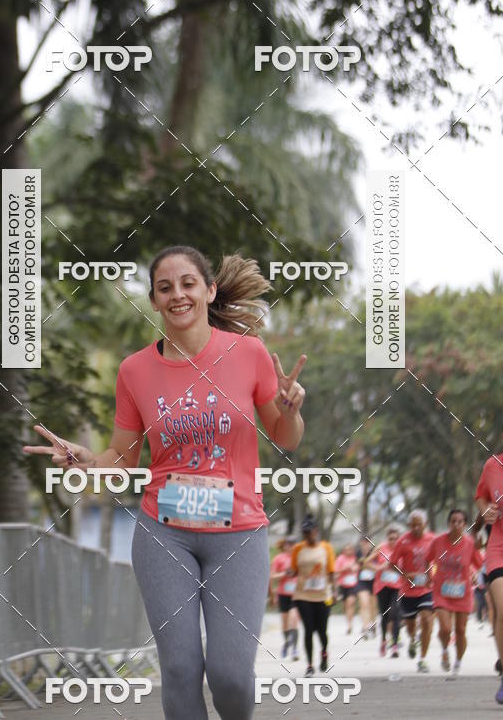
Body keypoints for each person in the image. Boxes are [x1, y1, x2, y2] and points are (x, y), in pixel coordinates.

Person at [24, 245, 306, 720]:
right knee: (179, 669)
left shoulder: (249, 354)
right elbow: (125, 460)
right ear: (153, 300)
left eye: (188, 284)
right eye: (165, 287)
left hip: (238, 533)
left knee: (231, 676)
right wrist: (88, 460)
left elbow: (285, 437)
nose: (177, 295)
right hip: (164, 532)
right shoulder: (135, 371)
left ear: (209, 290)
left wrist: (293, 410)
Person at [426, 508, 483, 676]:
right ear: (448, 523)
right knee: (445, 628)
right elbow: (427, 559)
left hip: (463, 593)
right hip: (441, 592)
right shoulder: (437, 542)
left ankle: (457, 661)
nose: (456, 524)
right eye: (453, 521)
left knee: (461, 630)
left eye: (460, 522)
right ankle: (444, 650)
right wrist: (428, 575)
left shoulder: (470, 544)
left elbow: (480, 565)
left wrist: (475, 575)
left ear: (464, 525)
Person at [389, 509, 435, 672]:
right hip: (408, 590)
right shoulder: (402, 541)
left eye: (419, 525)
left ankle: (422, 659)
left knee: (427, 620)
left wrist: (433, 574)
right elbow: (392, 563)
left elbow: (440, 559)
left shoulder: (432, 539)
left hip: (426, 588)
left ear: (425, 524)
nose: (416, 528)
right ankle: (413, 639)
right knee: (410, 626)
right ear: (409, 525)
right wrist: (405, 574)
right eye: (413, 525)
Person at [475, 448, 503, 703]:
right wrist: (486, 511)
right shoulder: (493, 465)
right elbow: (481, 497)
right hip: (498, 547)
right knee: (502, 610)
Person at [291, 516, 335, 677]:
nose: (307, 536)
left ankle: (324, 652)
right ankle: (309, 665)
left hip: (323, 595)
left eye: (309, 532)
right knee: (308, 629)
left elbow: (331, 571)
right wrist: (289, 572)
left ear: (316, 531)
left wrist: (334, 591)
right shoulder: (298, 549)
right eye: (305, 533)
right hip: (302, 595)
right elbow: (294, 570)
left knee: (322, 630)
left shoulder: (326, 548)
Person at [367, 526, 401, 657]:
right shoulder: (381, 548)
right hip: (382, 586)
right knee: (385, 615)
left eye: (396, 539)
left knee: (395, 612)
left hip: (397, 586)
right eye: (391, 539)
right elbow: (366, 563)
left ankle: (395, 645)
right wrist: (378, 567)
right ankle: (383, 641)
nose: (394, 541)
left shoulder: (402, 549)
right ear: (388, 539)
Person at [270, 536, 300, 659]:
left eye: (293, 544)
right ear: (285, 546)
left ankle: (295, 649)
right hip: (283, 594)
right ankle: (287, 643)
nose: (291, 547)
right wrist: (284, 574)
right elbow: (272, 576)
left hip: (297, 594)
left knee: (294, 621)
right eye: (289, 544)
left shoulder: (300, 558)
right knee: (285, 623)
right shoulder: (279, 558)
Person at [334, 544, 359, 635]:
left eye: (350, 549)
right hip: (343, 585)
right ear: (344, 551)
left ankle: (350, 624)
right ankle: (348, 621)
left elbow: (358, 568)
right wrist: (346, 568)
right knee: (346, 605)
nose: (349, 551)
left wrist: (355, 568)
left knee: (351, 603)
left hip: (353, 584)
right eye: (347, 549)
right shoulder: (340, 559)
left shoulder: (355, 558)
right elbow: (336, 572)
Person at [356, 537, 378, 639]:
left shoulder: (375, 553)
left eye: (367, 543)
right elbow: (358, 566)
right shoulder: (358, 553)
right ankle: (365, 628)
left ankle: (373, 625)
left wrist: (366, 565)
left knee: (373, 605)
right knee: (364, 603)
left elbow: (377, 567)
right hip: (362, 581)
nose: (365, 545)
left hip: (374, 581)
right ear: (361, 543)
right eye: (363, 543)